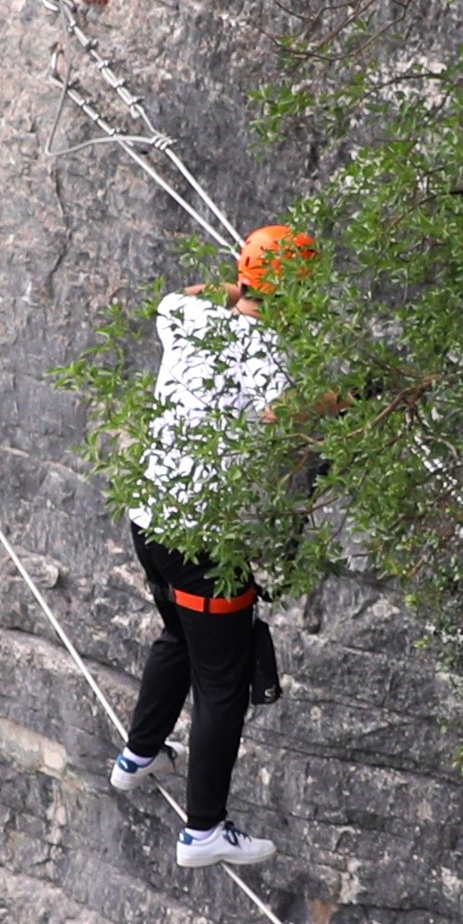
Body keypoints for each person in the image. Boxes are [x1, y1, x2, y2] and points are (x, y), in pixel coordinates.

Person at [116, 222, 308, 868]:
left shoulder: (186, 314)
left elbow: (186, 291)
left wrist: (238, 286)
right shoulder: (270, 350)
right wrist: (348, 402)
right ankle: (203, 830)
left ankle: (139, 753)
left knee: (178, 634)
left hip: (148, 521)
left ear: (242, 274)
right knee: (222, 681)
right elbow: (288, 413)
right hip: (201, 542)